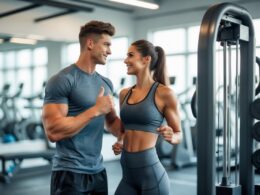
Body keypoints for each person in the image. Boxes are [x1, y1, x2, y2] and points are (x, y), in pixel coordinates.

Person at [42, 20, 124, 195]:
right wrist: (95, 110)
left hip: (98, 171)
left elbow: (111, 122)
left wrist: (126, 133)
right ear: (90, 43)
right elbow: (53, 132)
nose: (110, 51)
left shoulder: (106, 83)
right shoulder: (63, 80)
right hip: (69, 173)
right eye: (106, 45)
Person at [112, 40, 182, 195]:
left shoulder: (165, 93)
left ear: (146, 59)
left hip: (151, 176)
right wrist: (120, 141)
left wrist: (172, 136)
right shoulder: (124, 93)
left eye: (130, 55)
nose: (125, 60)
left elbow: (179, 134)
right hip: (127, 176)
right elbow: (123, 130)